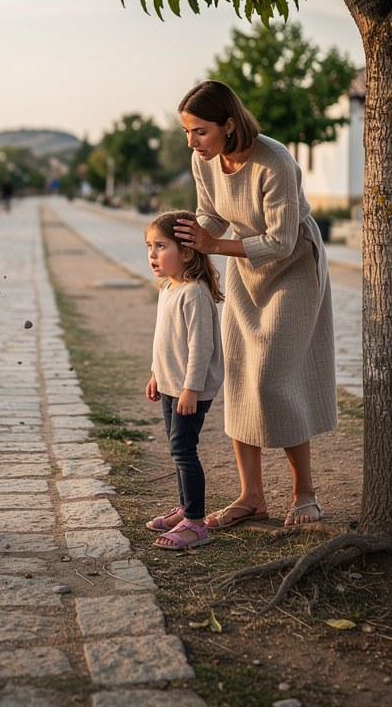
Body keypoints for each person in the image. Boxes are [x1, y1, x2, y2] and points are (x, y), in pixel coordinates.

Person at [173, 80, 336, 527]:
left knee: (274, 379)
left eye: (200, 131)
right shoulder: (203, 160)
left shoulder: (275, 161)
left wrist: (214, 246)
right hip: (245, 266)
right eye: (187, 132)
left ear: (229, 124)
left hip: (293, 267)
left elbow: (282, 241)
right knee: (242, 377)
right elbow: (212, 215)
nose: (192, 142)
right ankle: (252, 497)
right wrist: (184, 239)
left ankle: (305, 492)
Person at [143, 210, 225, 550]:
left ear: (187, 252)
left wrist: (191, 388)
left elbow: (200, 346)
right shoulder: (169, 288)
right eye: (149, 246)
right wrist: (155, 373)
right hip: (170, 385)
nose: (152, 254)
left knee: (183, 451)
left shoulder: (194, 293)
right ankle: (184, 508)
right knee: (178, 450)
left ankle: (195, 522)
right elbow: (163, 339)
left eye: (161, 246)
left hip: (189, 390)